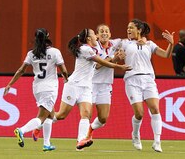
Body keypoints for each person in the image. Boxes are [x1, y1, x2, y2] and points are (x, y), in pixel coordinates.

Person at [54, 28, 131, 151]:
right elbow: (102, 62)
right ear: (89, 38)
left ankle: (80, 142)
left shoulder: (91, 50)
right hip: (74, 85)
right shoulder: (85, 49)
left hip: (86, 87)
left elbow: (103, 61)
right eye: (94, 35)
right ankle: (38, 123)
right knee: (61, 115)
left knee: (86, 115)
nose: (96, 37)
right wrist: (119, 66)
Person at [3, 28, 68, 152]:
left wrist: (10, 84)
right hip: (49, 88)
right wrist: (66, 79)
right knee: (41, 118)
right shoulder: (55, 52)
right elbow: (63, 70)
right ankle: (21, 130)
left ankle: (47, 144)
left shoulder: (31, 53)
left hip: (37, 88)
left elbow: (21, 70)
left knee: (50, 116)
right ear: (48, 37)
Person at [120, 19, 174, 153]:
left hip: (148, 79)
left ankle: (157, 141)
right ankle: (136, 135)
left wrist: (171, 44)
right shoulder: (125, 43)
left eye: (131, 27)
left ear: (139, 30)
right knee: (139, 113)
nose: (128, 30)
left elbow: (166, 55)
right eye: (128, 27)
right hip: (132, 80)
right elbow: (119, 56)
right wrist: (119, 56)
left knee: (155, 109)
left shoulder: (149, 44)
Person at [84, 24, 125, 143]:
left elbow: (129, 42)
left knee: (103, 118)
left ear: (110, 34)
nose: (104, 33)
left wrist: (142, 39)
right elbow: (97, 65)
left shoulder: (115, 44)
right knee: (87, 114)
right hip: (91, 84)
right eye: (101, 31)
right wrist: (113, 58)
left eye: (107, 31)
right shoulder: (93, 47)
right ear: (96, 35)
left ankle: (91, 129)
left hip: (106, 85)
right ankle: (82, 139)